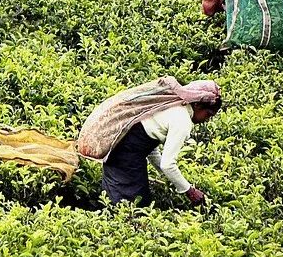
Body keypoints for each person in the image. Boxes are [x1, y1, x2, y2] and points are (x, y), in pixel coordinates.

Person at [77, 77, 221, 207]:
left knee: (123, 197)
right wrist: (189, 191)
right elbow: (168, 164)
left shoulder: (173, 106)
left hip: (121, 147)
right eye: (208, 114)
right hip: (126, 153)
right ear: (197, 105)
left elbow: (150, 148)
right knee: (130, 203)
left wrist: (172, 179)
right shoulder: (183, 120)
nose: (205, 120)